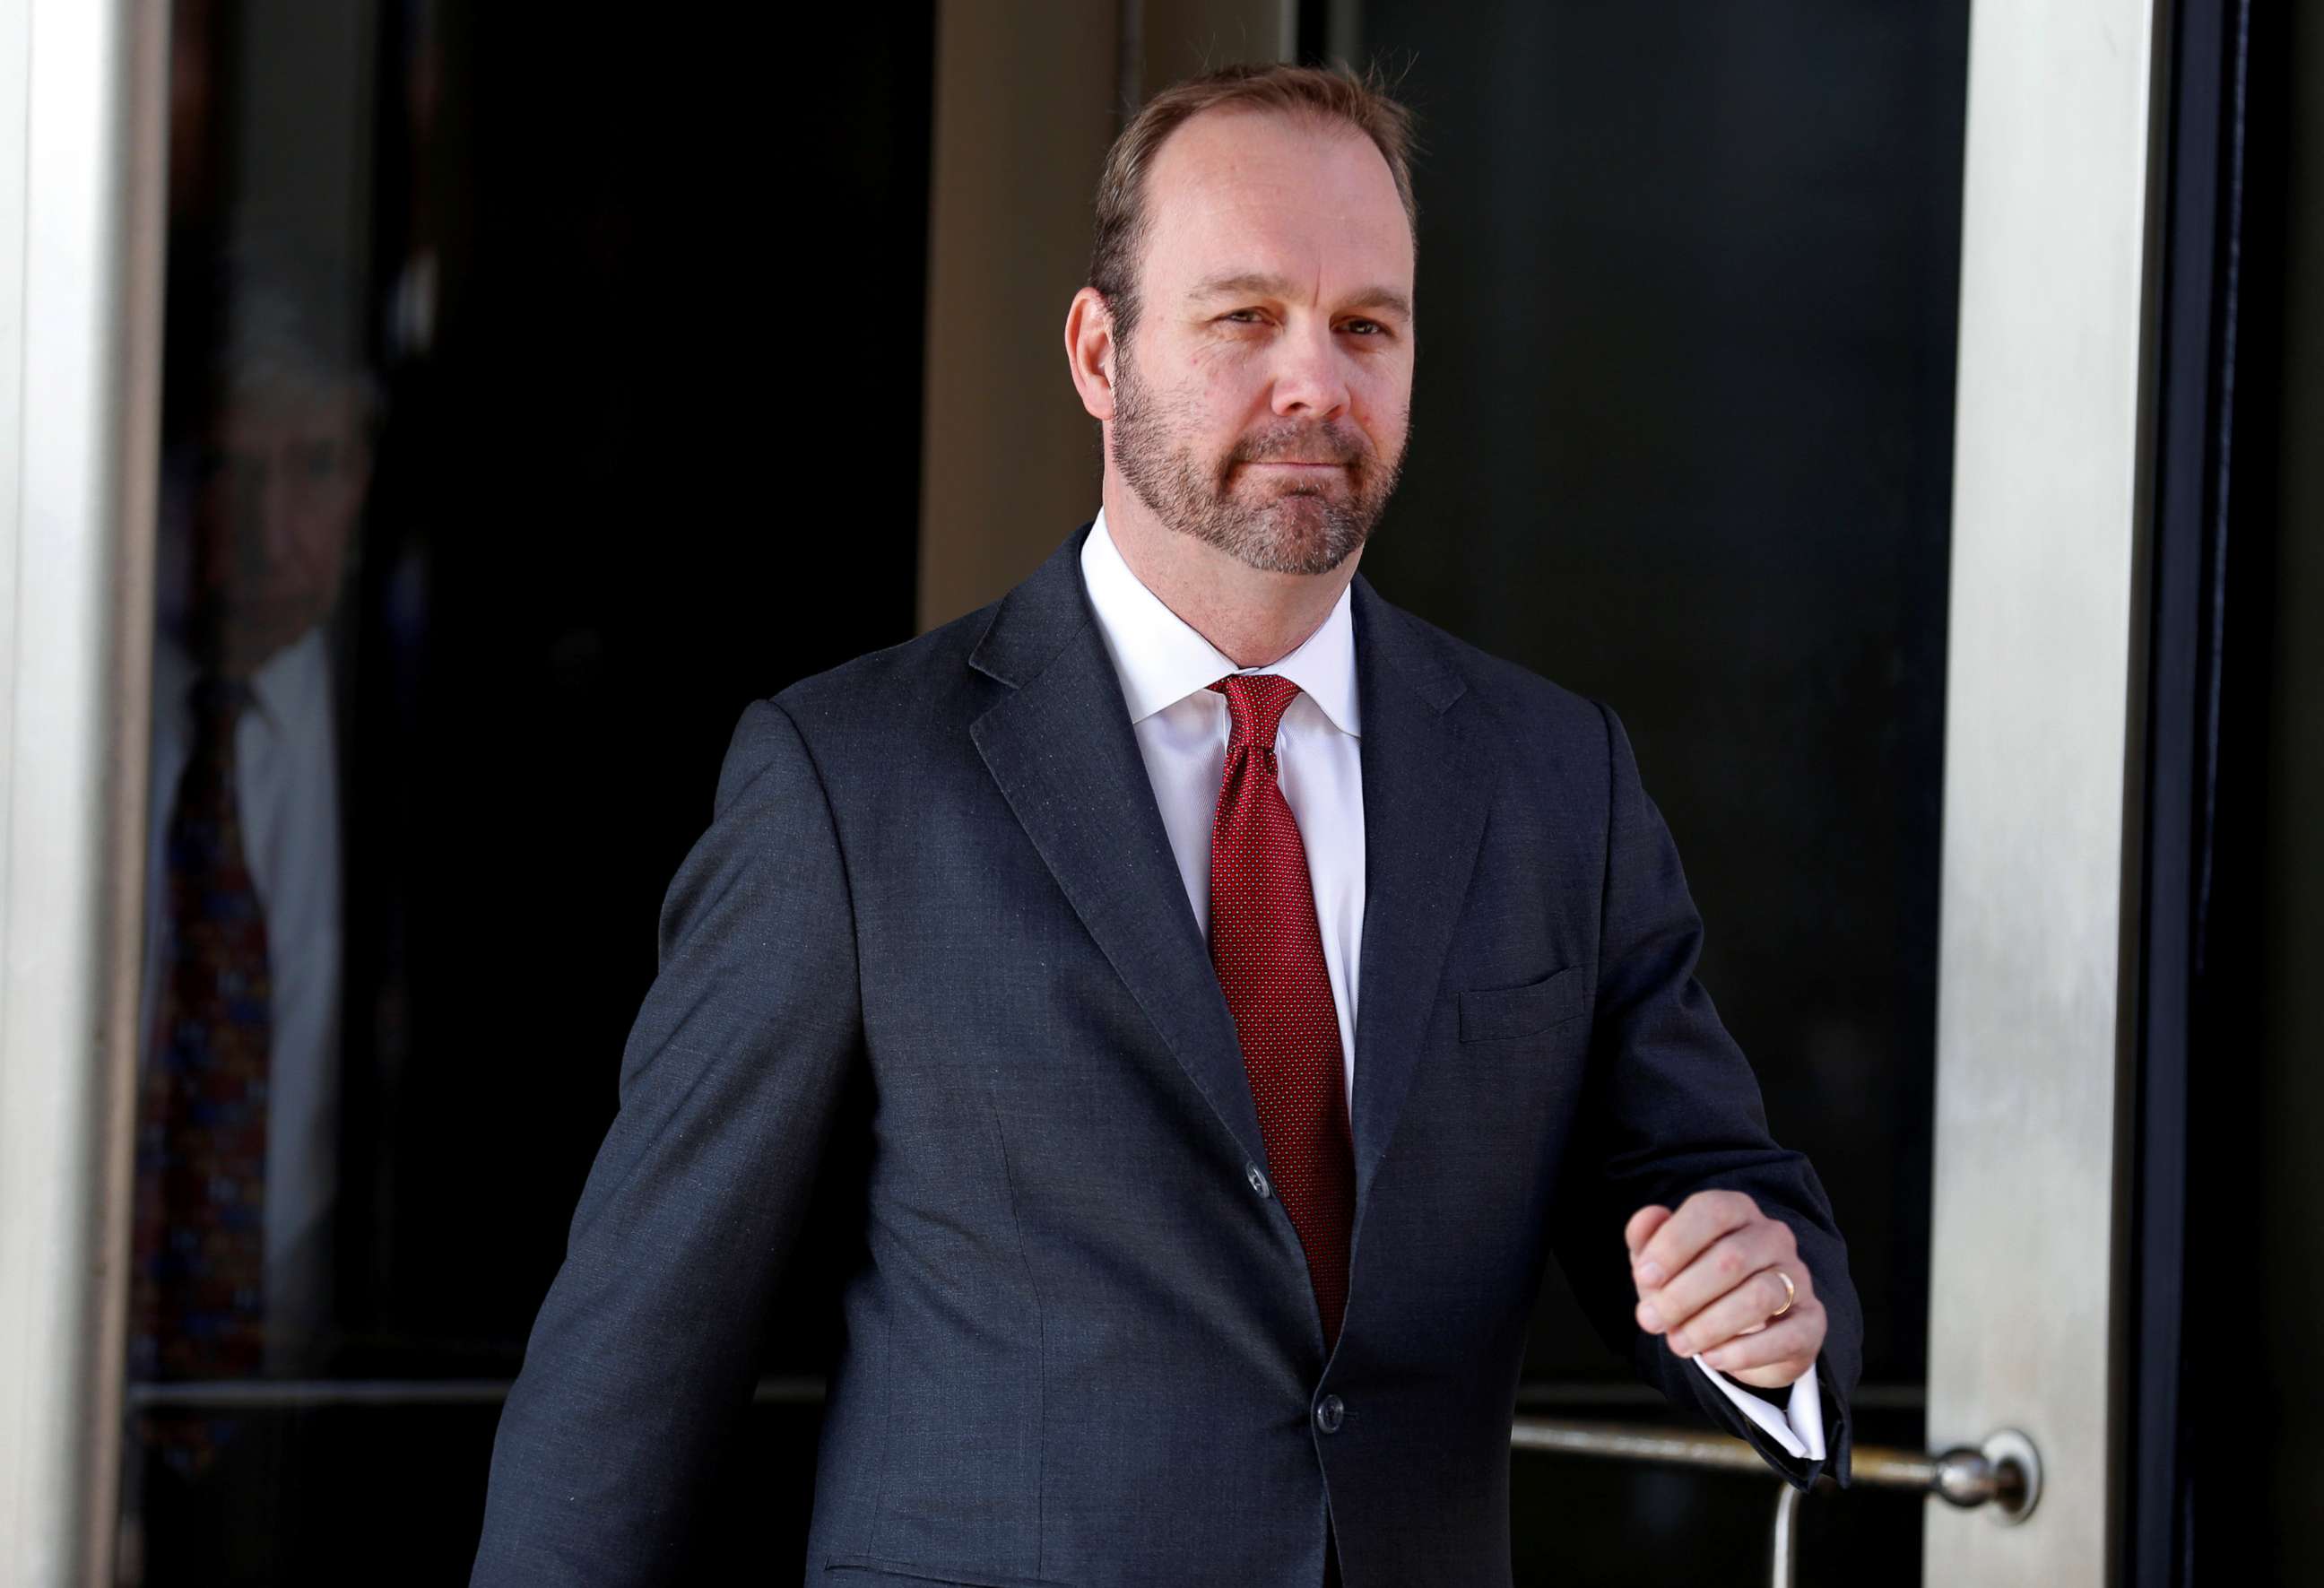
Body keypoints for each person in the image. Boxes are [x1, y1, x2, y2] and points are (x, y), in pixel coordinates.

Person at [471, 62, 1860, 1587]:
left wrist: (1767, 1311)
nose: (1316, 383)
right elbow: (632, 1367)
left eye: (1366, 327)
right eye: (1244, 317)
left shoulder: (1553, 778)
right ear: (1097, 352)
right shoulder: (849, 786)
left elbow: (1716, 1193)